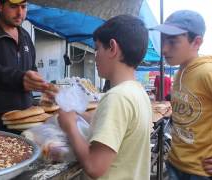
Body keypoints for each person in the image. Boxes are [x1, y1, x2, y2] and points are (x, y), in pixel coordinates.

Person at [58, 15, 152, 180]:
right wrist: (77, 113)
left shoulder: (117, 97)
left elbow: (95, 166)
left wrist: (70, 127)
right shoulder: (138, 92)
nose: (95, 56)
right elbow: (107, 122)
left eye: (97, 49)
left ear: (112, 48)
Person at [152, 10, 212, 179]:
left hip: (202, 172)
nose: (164, 48)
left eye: (172, 41)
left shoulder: (209, 73)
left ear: (196, 42)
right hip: (175, 163)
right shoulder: (182, 70)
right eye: (163, 39)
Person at [0, 0, 51, 131]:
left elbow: (31, 67)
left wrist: (41, 84)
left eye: (24, 7)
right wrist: (20, 79)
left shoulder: (26, 36)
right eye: (13, 6)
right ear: (0, 6)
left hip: (24, 118)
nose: (20, 13)